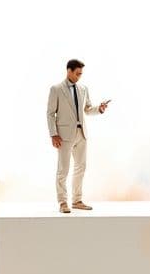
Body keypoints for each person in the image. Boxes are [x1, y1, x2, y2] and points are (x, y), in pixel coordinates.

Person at [46, 59, 111, 213]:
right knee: (63, 169)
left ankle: (77, 200)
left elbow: (87, 109)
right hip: (64, 136)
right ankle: (63, 202)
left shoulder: (83, 88)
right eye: (77, 73)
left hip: (81, 133)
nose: (79, 77)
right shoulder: (56, 89)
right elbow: (50, 114)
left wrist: (99, 109)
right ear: (69, 71)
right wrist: (53, 134)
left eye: (81, 74)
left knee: (81, 167)